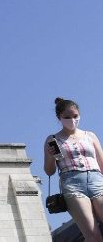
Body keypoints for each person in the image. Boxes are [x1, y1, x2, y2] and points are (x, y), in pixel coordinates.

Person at [44, 97, 103, 242]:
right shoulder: (53, 139)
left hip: (97, 181)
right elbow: (49, 171)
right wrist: (51, 157)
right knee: (93, 234)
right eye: (67, 117)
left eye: (75, 116)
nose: (72, 120)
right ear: (59, 118)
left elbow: (102, 163)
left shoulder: (90, 136)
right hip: (72, 184)